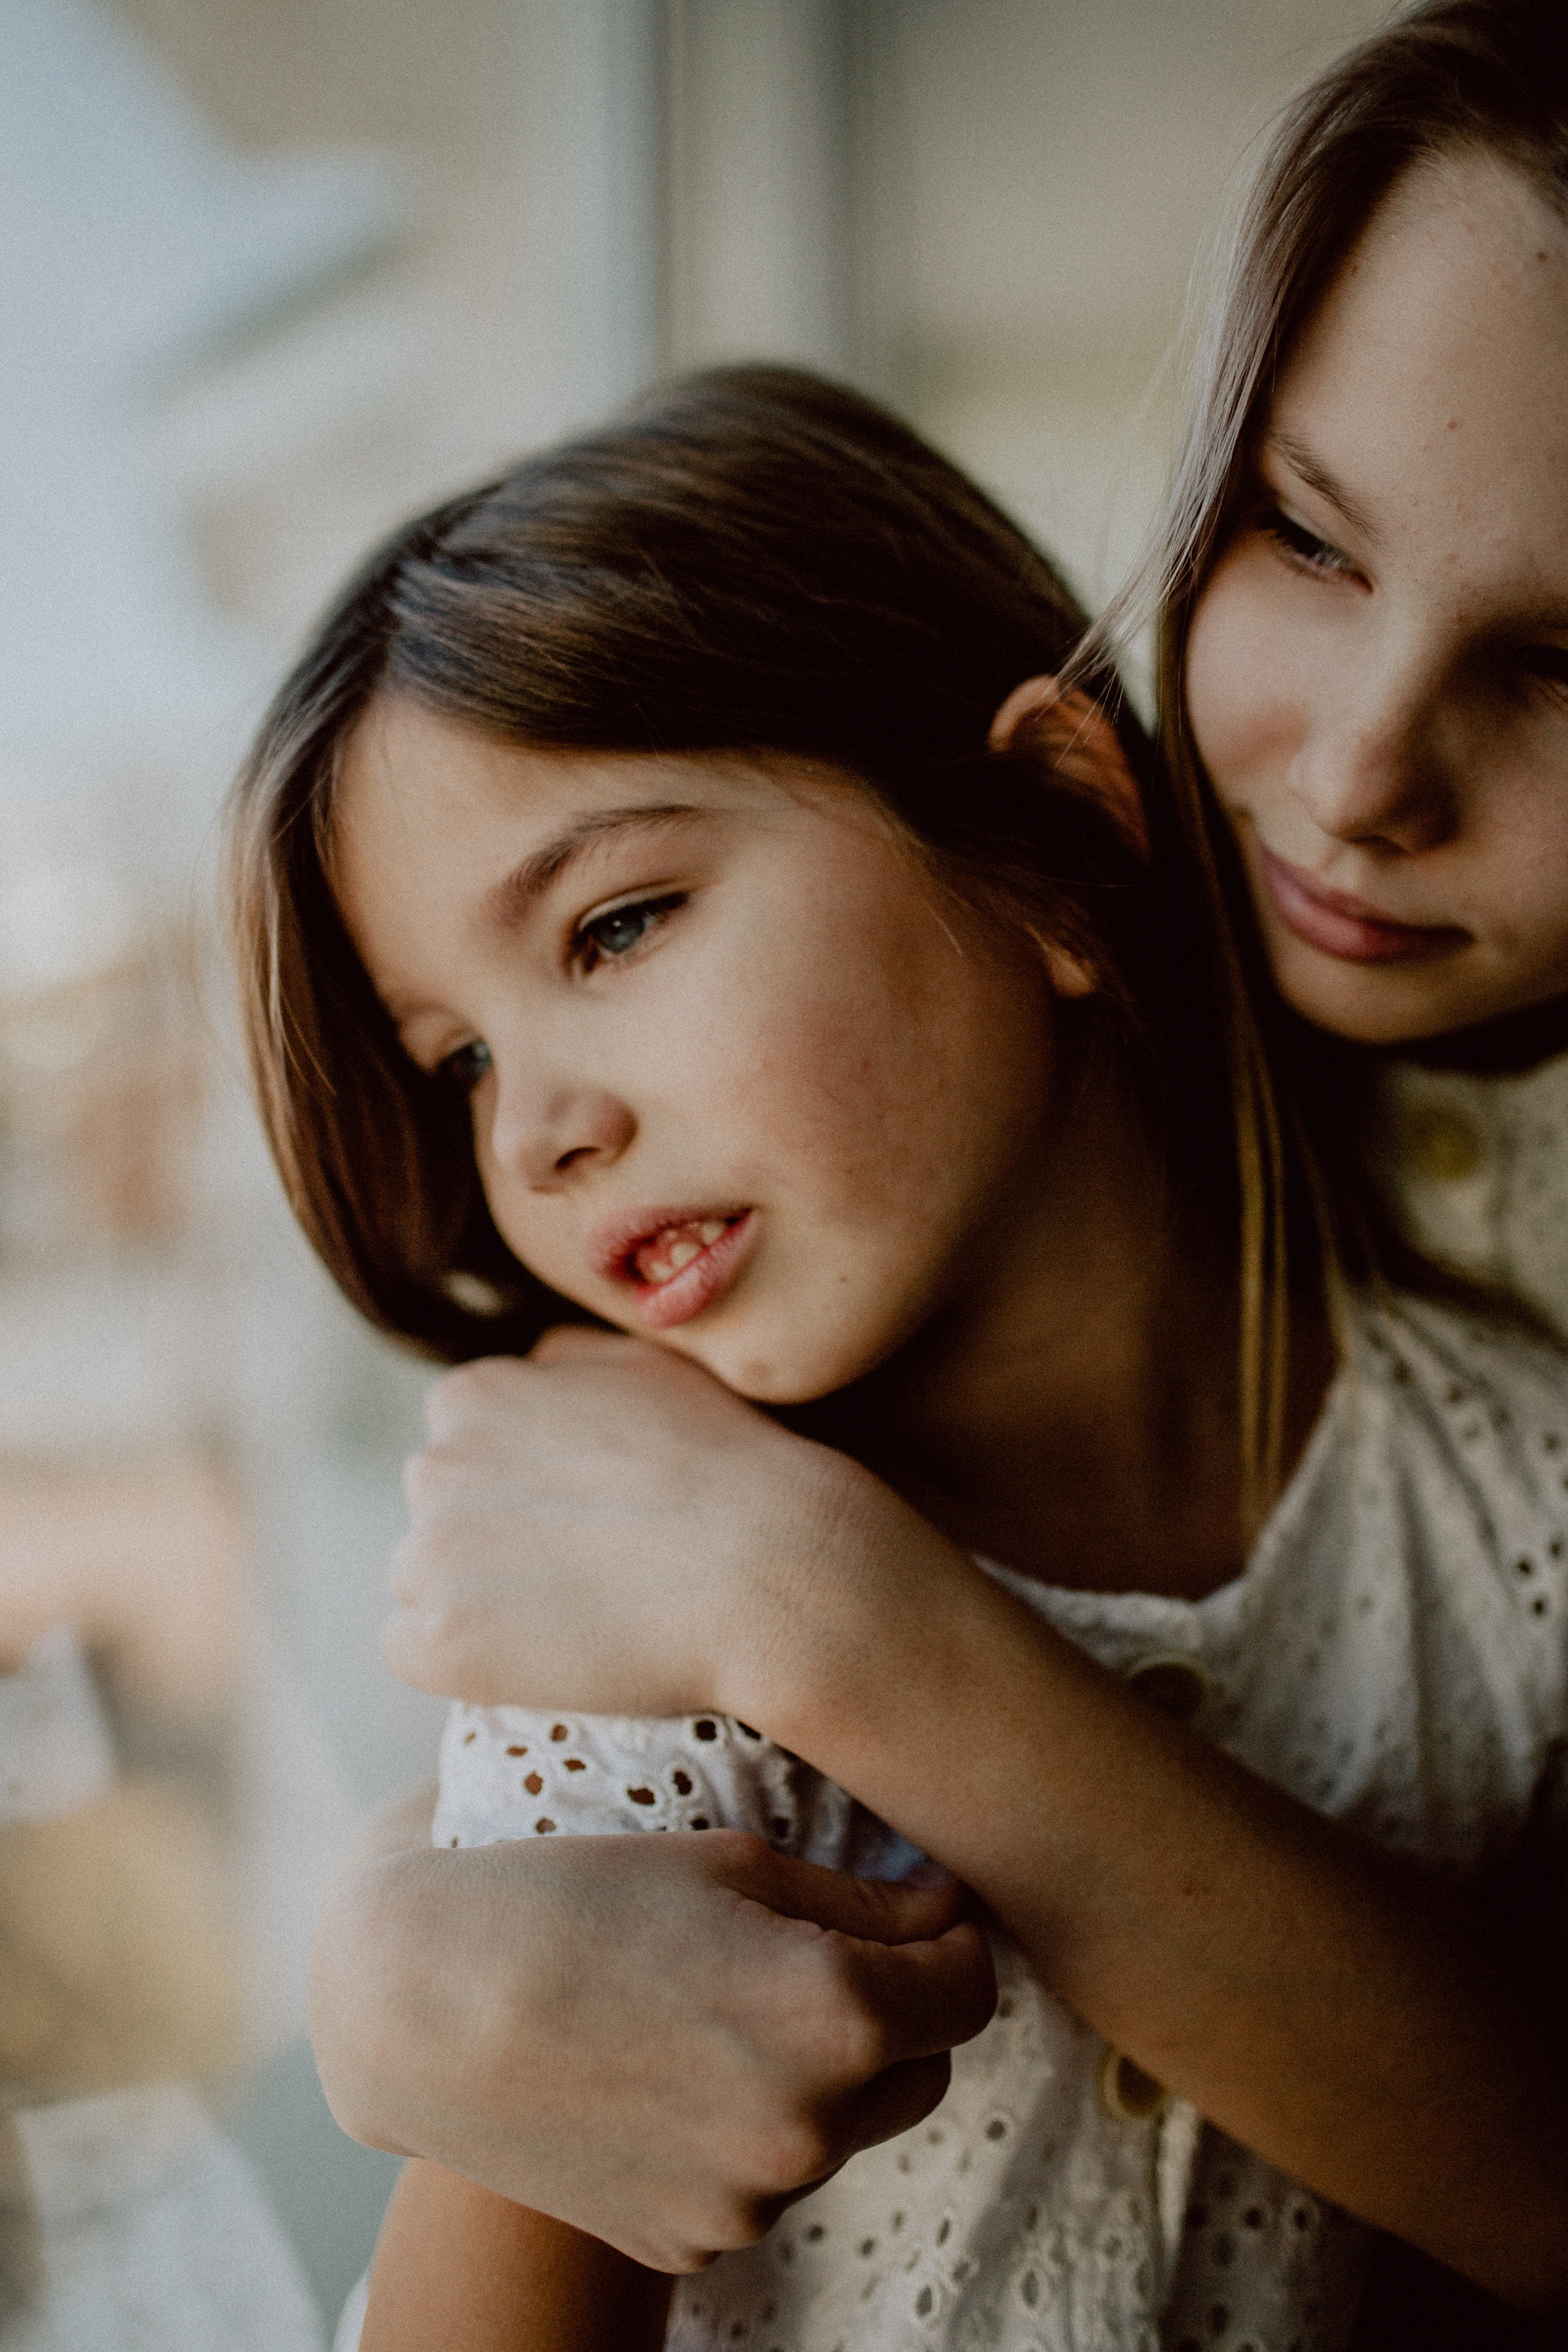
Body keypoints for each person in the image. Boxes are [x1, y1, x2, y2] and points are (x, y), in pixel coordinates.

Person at [228, 354, 1567, 2352]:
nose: (533, 1133)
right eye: (460, 1061)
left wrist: (844, 1623)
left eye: (613, 927)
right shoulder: (616, 1625)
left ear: (1047, 820)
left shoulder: (1515, 1503)